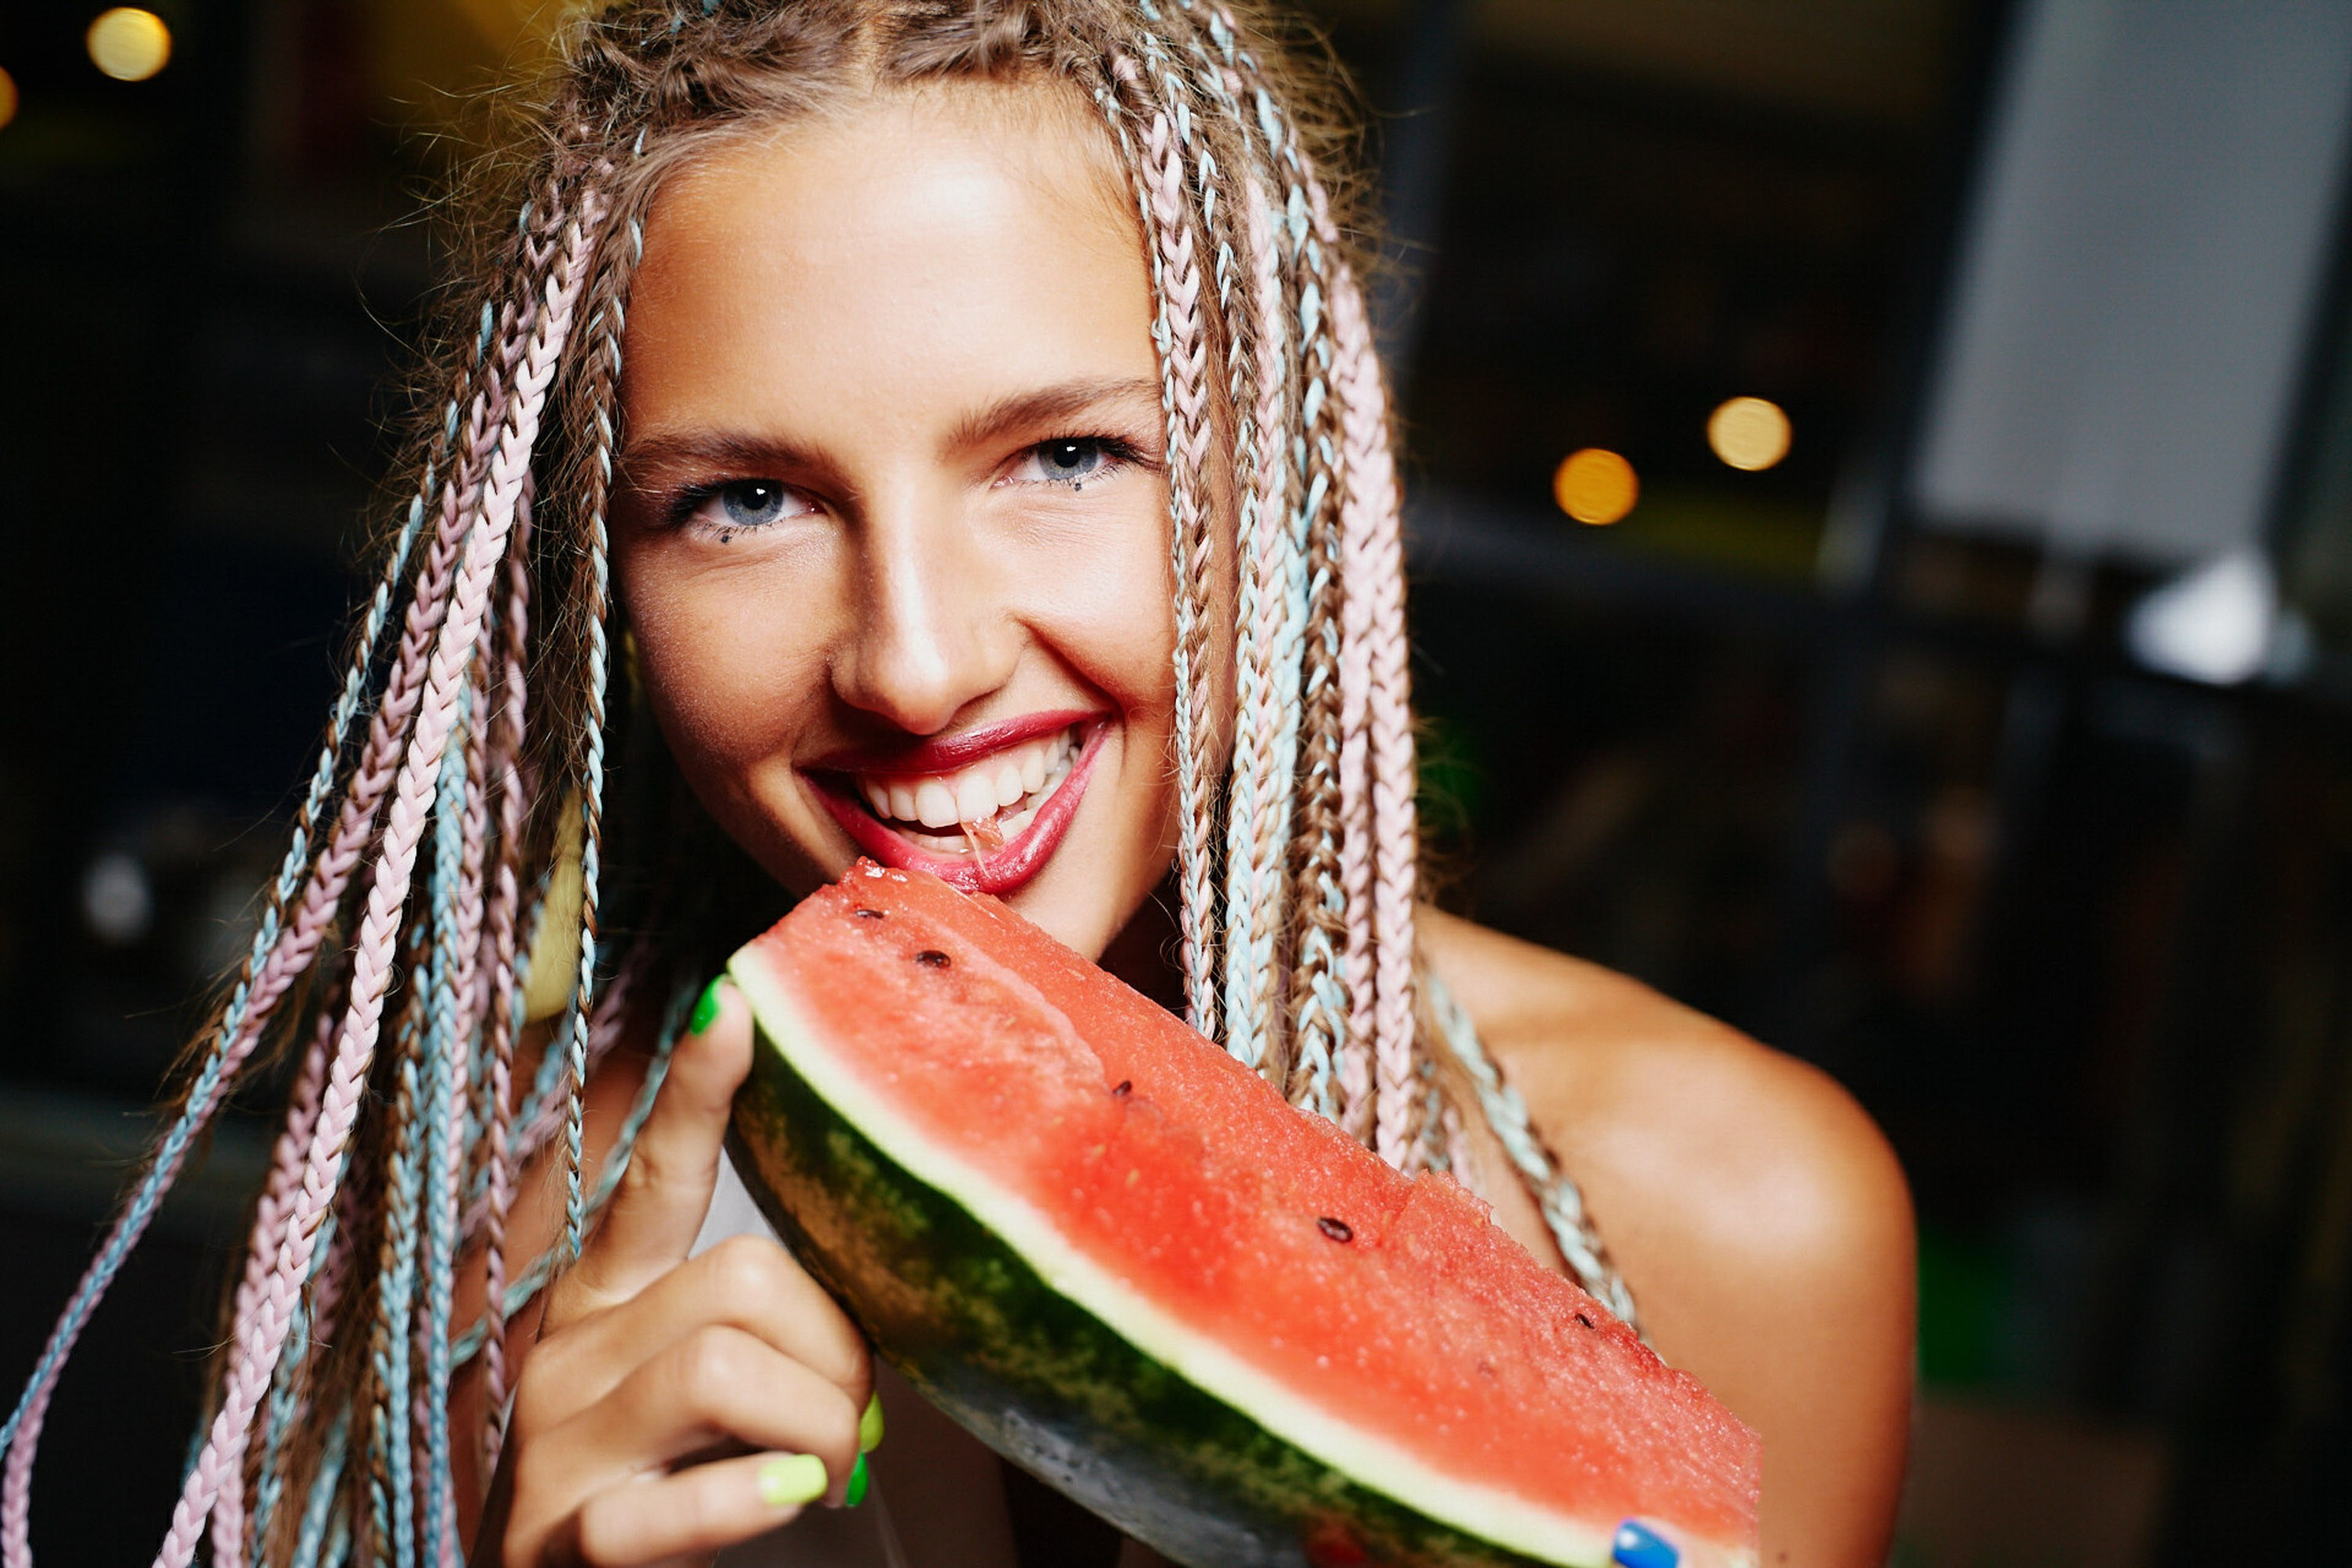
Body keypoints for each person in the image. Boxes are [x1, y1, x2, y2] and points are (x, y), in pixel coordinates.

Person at [0, 2, 1915, 1564]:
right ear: (605, 579)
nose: (911, 659)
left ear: (1284, 478)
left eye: (1062, 457)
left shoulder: (1726, 1217)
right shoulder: (486, 1240)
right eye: (742, 501)